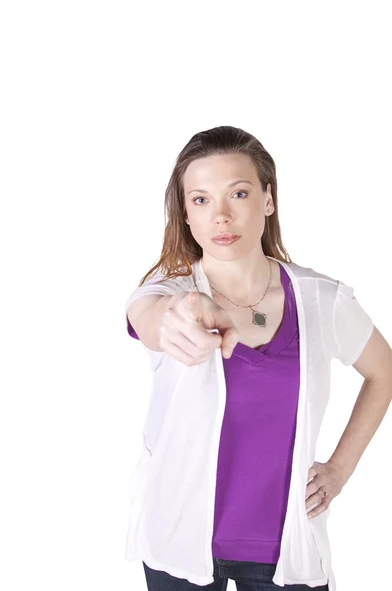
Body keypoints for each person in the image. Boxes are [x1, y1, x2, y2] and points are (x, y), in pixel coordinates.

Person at [124, 125, 392, 591]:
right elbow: (148, 316)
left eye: (239, 193)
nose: (221, 216)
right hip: (180, 543)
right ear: (185, 214)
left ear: (268, 199)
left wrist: (339, 469)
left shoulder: (321, 300)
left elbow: (384, 371)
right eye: (201, 200)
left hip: (284, 549)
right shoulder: (169, 293)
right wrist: (175, 316)